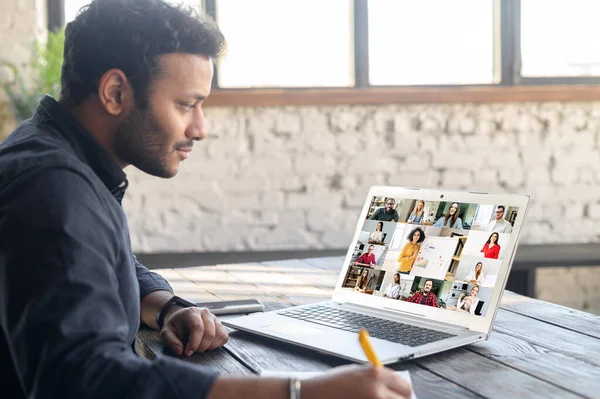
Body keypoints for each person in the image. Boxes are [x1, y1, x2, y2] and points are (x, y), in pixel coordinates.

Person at [0, 1, 412, 398]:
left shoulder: (55, 157)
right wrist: (300, 392)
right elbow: (87, 382)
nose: (200, 128)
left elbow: (98, 262)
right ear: (114, 93)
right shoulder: (55, 190)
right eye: (186, 104)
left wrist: (168, 308)